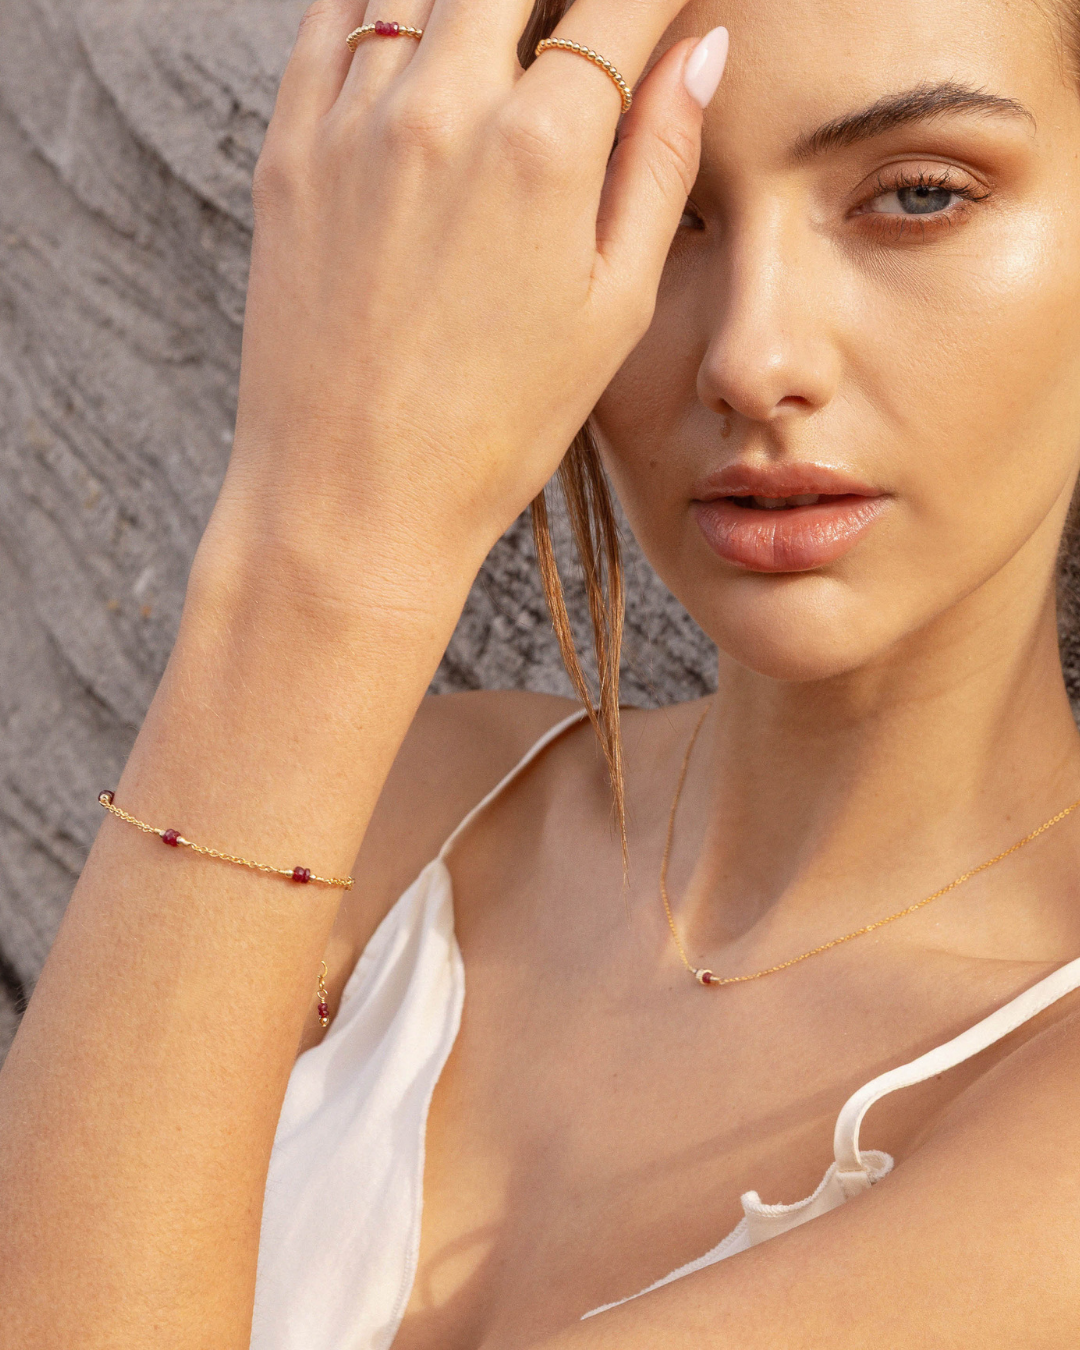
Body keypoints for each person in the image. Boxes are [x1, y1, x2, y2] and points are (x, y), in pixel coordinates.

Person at [4, 0, 1080, 1343]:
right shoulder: (425, 805)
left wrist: (322, 531)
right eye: (654, 200)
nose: (753, 358)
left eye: (918, 195)